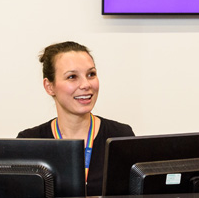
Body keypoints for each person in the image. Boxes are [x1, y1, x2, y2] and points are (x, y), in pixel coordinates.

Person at [17, 41, 134, 196]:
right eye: (72, 77)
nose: (86, 84)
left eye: (91, 74)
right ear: (49, 86)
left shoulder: (120, 135)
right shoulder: (29, 142)